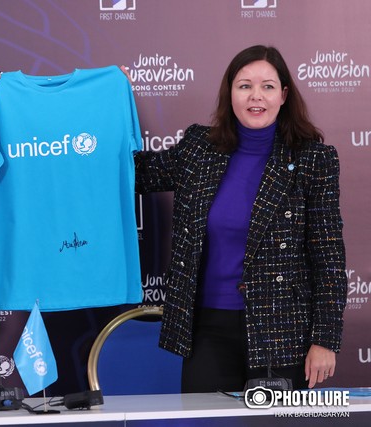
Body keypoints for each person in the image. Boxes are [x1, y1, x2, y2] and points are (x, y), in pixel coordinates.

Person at [134, 45, 347, 393]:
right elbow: (135, 174)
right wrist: (107, 99)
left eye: (267, 86)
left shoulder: (313, 160)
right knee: (205, 419)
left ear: (284, 95)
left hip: (282, 332)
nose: (255, 96)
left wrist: (325, 339)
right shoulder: (199, 147)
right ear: (230, 93)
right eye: (244, 85)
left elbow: (329, 258)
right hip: (206, 329)